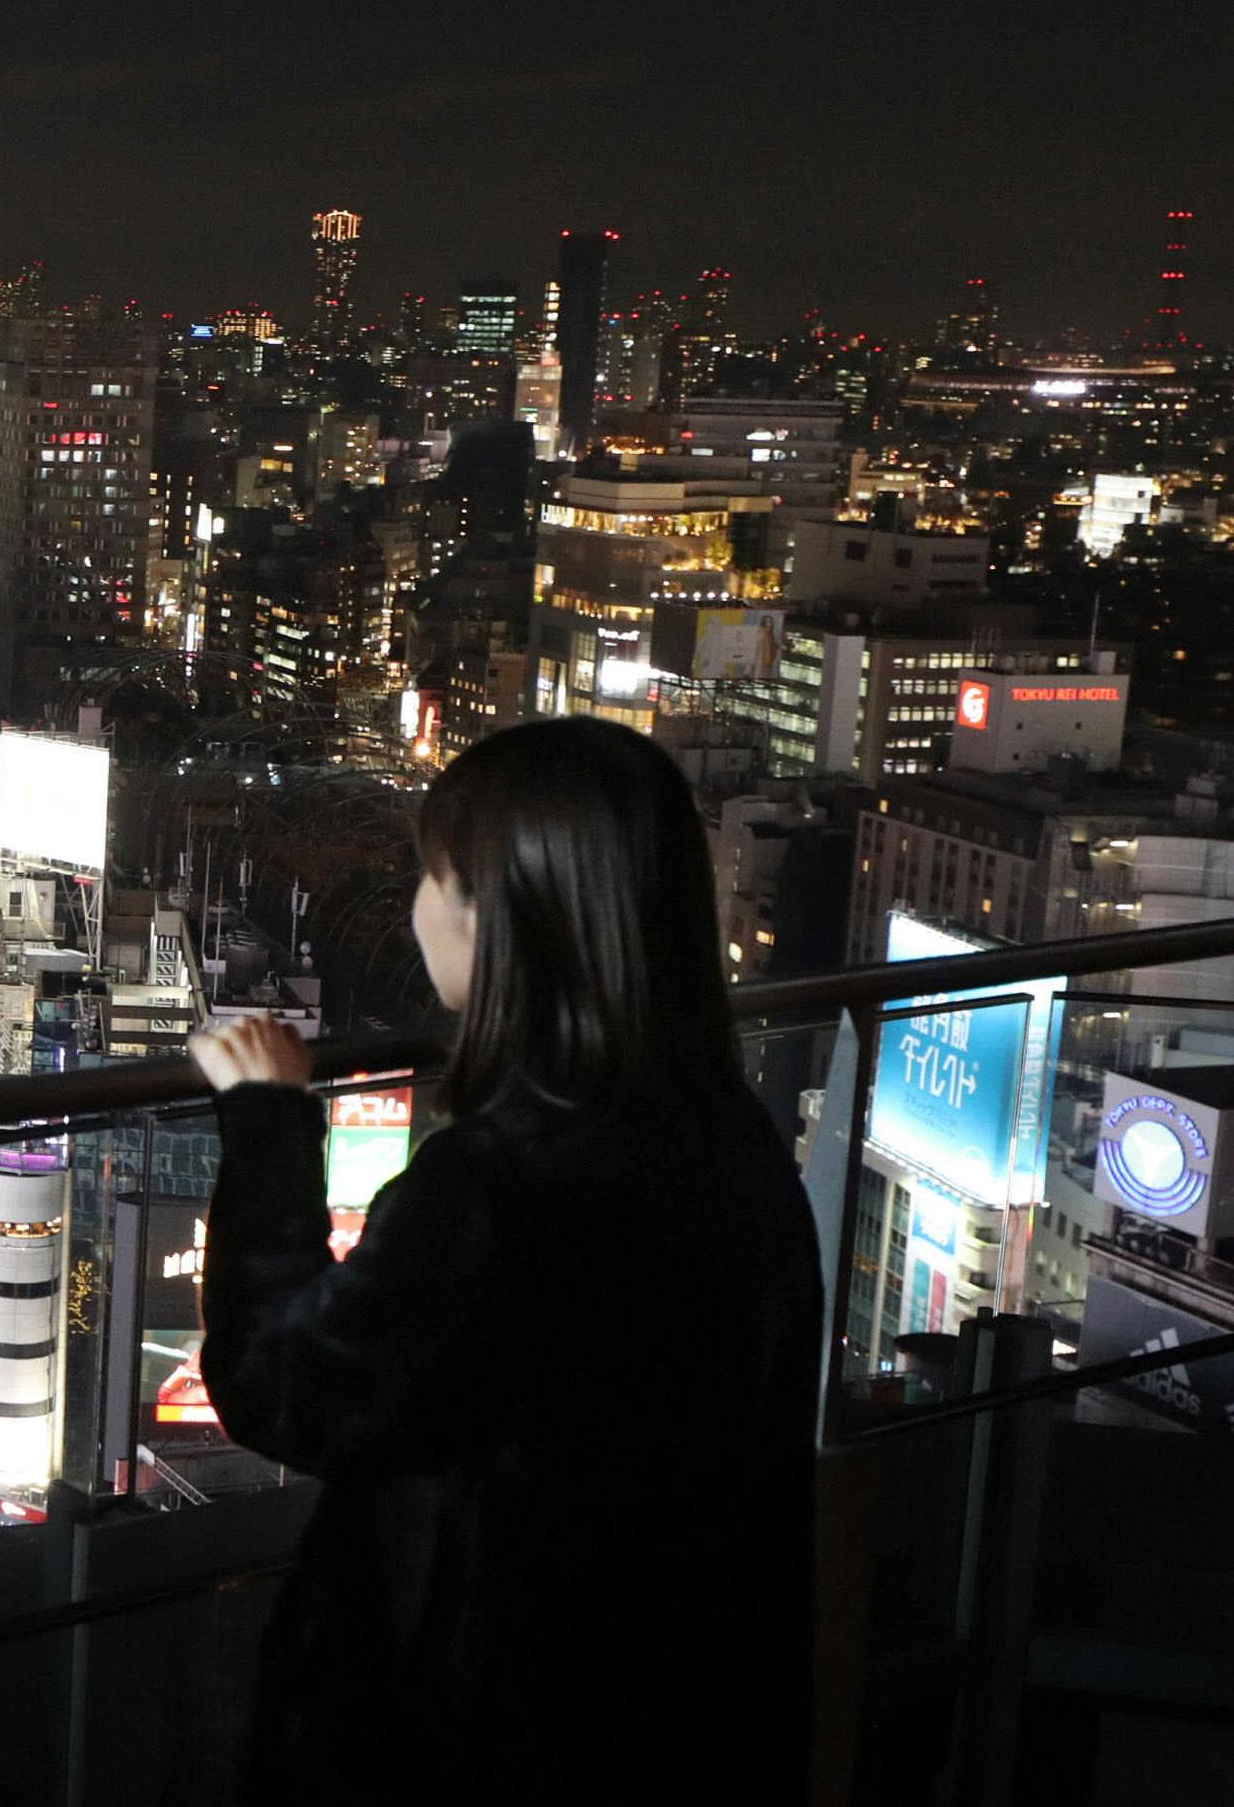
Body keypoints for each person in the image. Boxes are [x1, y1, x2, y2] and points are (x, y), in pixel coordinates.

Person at [186, 718, 821, 1802]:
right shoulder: (738, 1152)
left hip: (471, 1733)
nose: (415, 904)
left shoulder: (497, 1188)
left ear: (493, 913)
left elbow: (280, 1391)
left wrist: (268, 1127)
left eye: (430, 874)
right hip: (684, 1720)